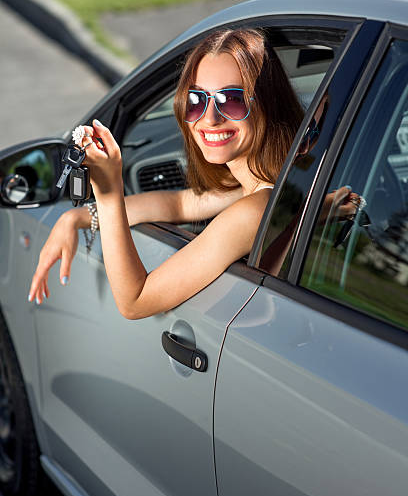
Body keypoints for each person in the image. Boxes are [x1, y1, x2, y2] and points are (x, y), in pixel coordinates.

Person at [27, 28, 355, 319]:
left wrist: (110, 189)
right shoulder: (268, 182)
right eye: (196, 100)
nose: (209, 119)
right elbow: (180, 205)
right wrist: (75, 219)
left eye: (232, 100)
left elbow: (135, 301)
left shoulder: (254, 211)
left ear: (267, 104)